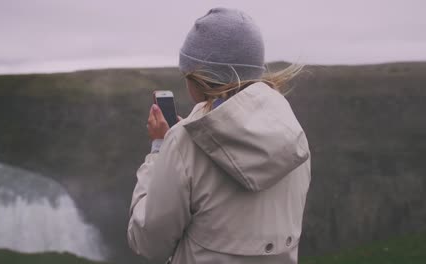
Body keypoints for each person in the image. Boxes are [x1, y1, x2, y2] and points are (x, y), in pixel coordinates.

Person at [127, 7, 311, 264]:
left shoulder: (184, 145)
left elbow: (147, 241)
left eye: (186, 73)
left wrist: (160, 148)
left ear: (199, 78)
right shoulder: (292, 133)